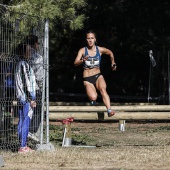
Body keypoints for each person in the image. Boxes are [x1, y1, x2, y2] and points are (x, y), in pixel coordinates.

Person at [74, 30, 117, 117]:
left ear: (95, 39)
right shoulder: (82, 50)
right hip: (87, 79)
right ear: (86, 40)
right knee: (93, 97)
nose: (90, 40)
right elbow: (75, 63)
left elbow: (110, 53)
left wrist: (113, 63)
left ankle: (109, 110)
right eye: (88, 38)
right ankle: (93, 100)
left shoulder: (100, 50)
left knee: (103, 90)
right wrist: (83, 60)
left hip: (98, 76)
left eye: (92, 38)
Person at [15, 42, 37, 153]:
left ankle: (21, 144)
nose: (30, 53)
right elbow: (25, 82)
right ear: (23, 53)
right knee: (26, 121)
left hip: (21, 97)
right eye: (28, 51)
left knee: (22, 120)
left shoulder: (20, 64)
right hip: (26, 98)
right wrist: (30, 98)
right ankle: (23, 146)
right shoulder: (24, 65)